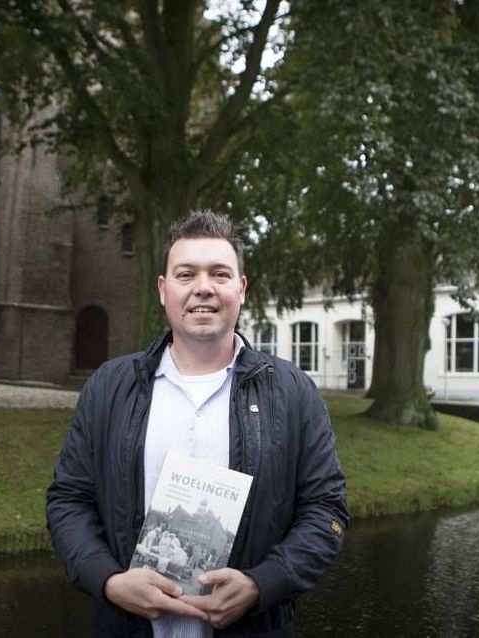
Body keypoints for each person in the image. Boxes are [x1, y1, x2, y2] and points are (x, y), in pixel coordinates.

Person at [46, 210, 348, 637]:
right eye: (186, 274)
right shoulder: (109, 387)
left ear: (240, 289)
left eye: (220, 274)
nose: (203, 288)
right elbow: (69, 500)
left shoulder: (293, 392)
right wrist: (108, 581)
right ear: (163, 290)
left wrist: (263, 584)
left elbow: (326, 509)